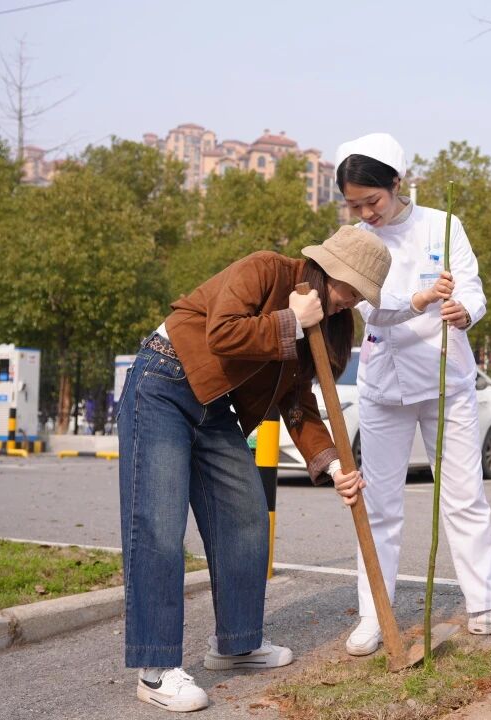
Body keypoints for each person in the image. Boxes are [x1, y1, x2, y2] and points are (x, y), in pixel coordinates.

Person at [117, 226, 390, 712]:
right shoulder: (265, 269)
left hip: (214, 407)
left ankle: (237, 644)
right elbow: (221, 334)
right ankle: (155, 668)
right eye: (349, 288)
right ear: (328, 269)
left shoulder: (323, 323)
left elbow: (297, 400)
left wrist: (331, 467)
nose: (350, 301)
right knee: (158, 526)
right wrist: (290, 320)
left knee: (245, 518)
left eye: (360, 296)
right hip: (162, 381)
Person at [332, 132, 491, 657]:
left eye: (372, 201)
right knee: (379, 505)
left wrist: (463, 310)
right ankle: (374, 613)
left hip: (447, 379)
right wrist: (422, 299)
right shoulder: (353, 240)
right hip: (384, 385)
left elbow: (473, 289)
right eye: (354, 204)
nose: (365, 213)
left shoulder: (444, 226)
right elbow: (368, 309)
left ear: (397, 185)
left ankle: (484, 603)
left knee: (463, 496)